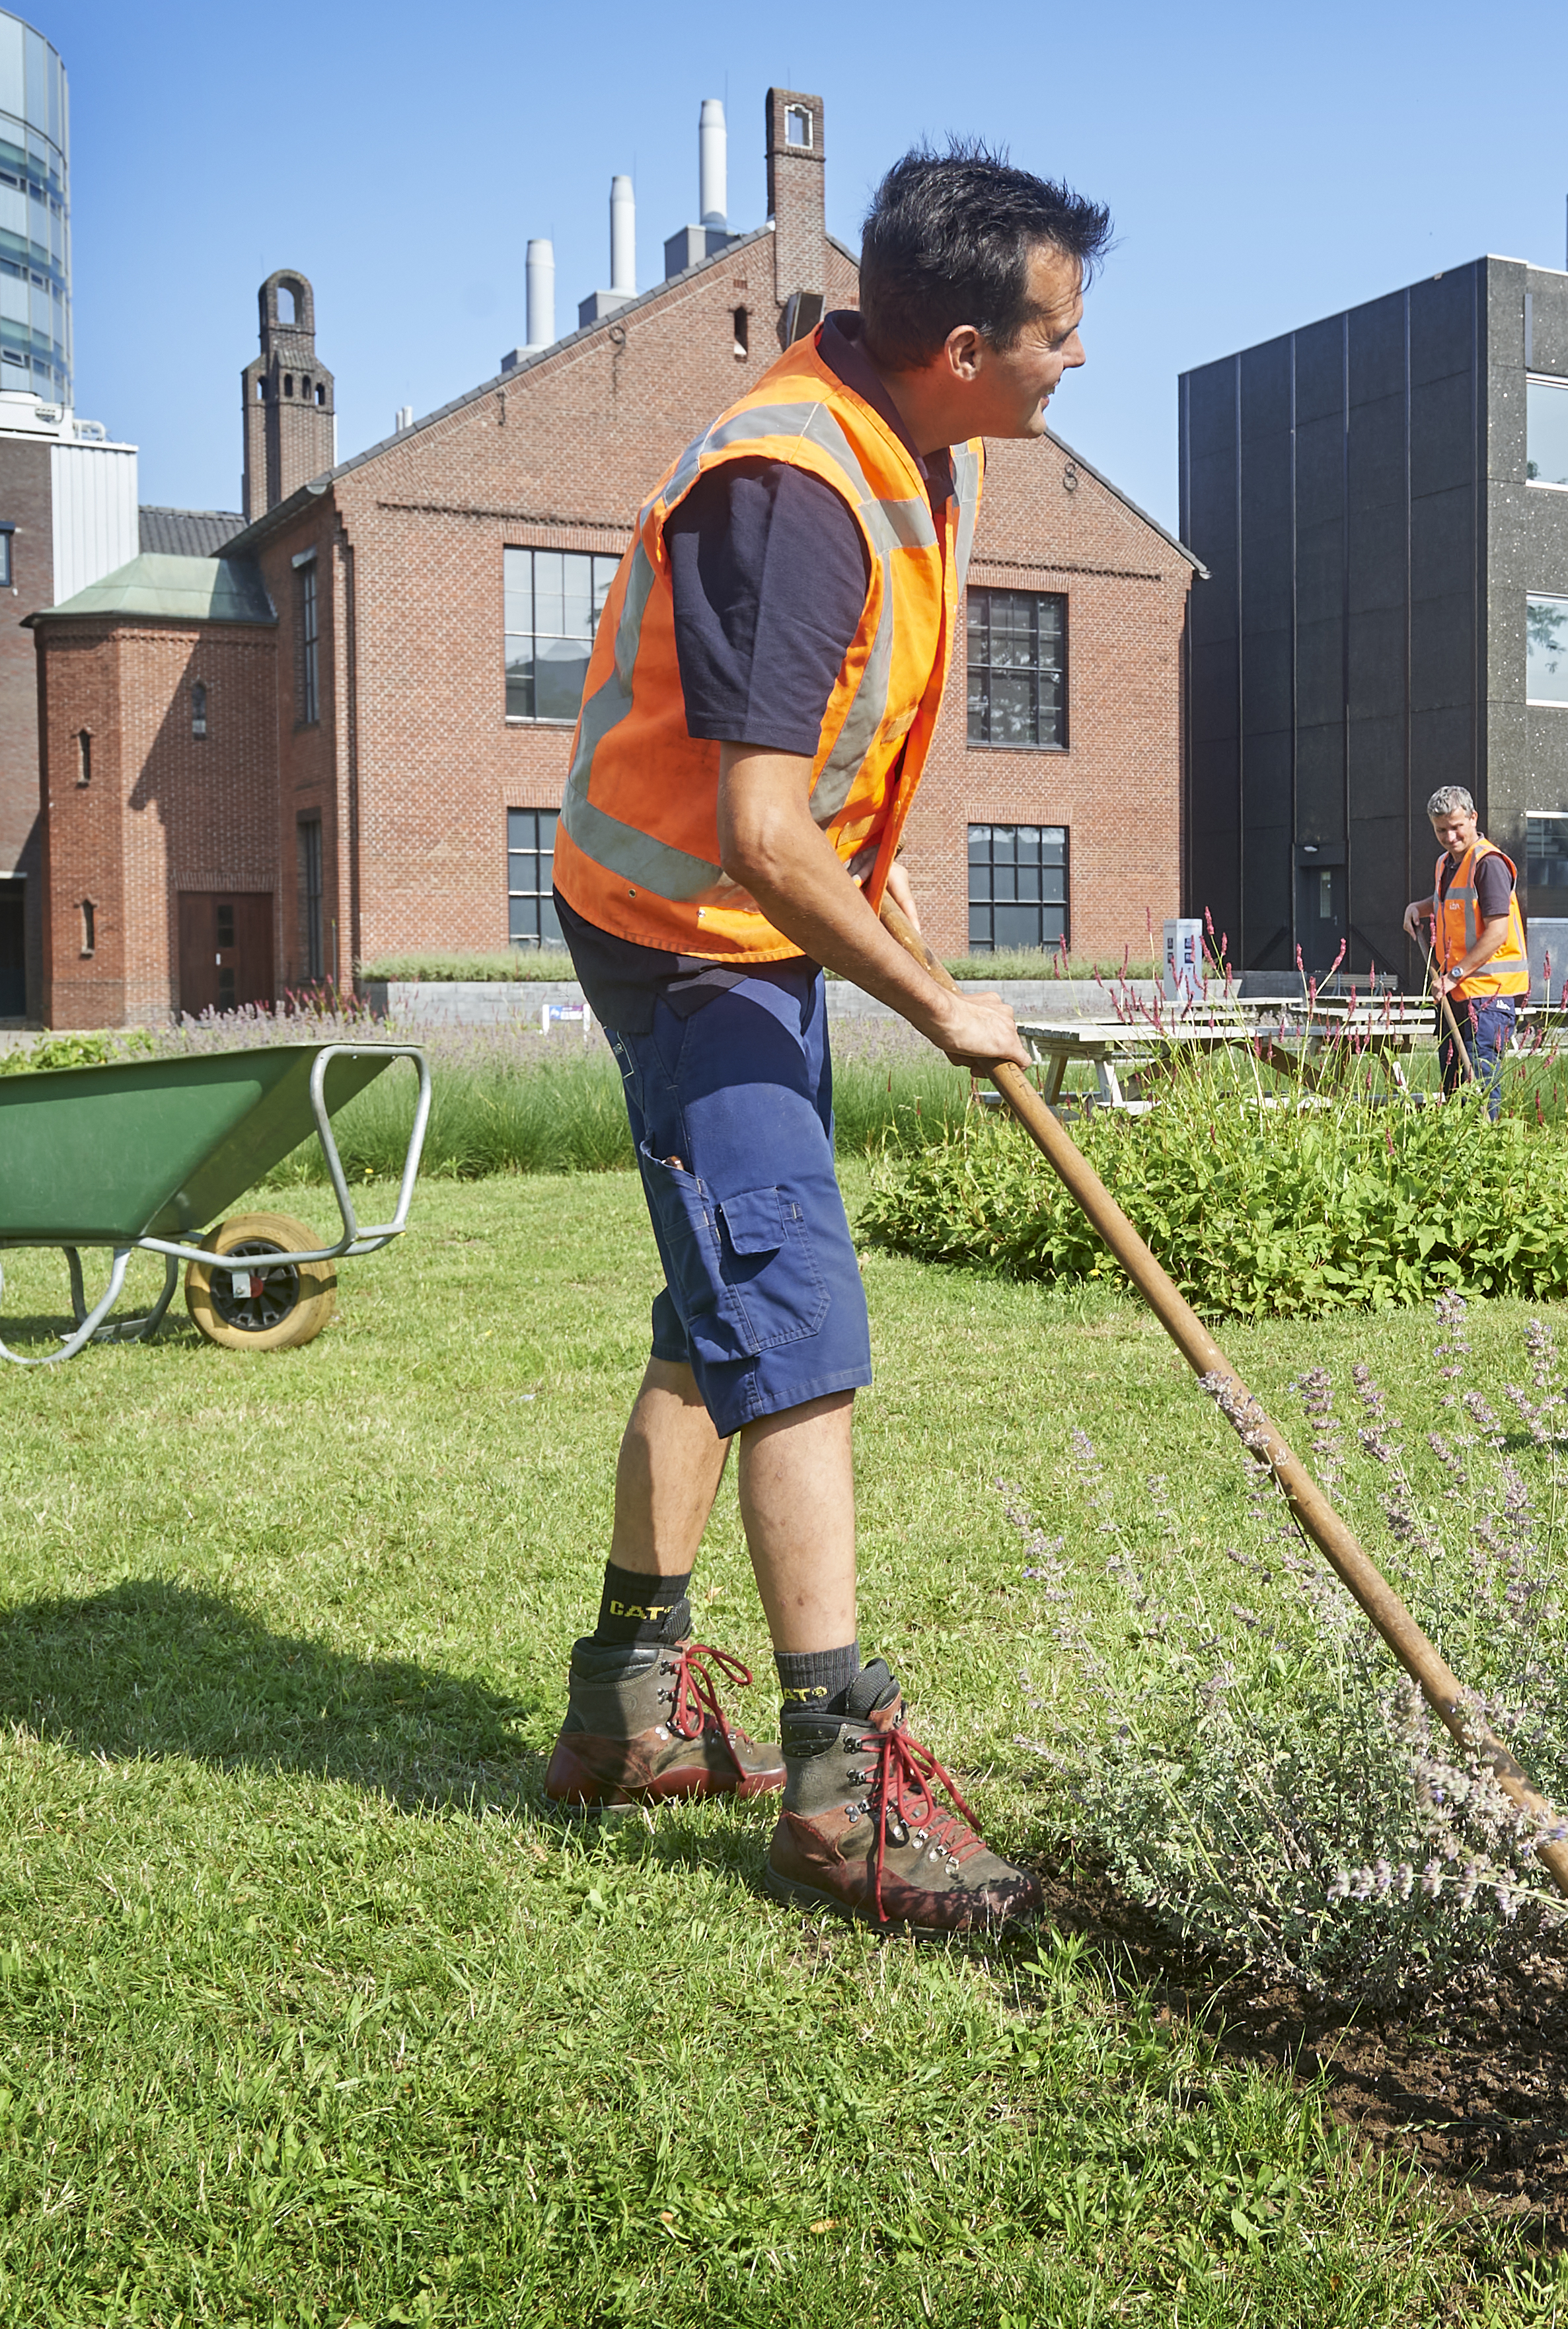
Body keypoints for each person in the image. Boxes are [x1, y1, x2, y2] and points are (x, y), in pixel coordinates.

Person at [539, 146, 1109, 1933]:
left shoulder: (916, 450)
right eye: (1059, 334)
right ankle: (836, 1781)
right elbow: (758, 835)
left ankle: (628, 1709)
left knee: (714, 1317)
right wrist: (934, 999)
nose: (1074, 362)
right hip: (688, 935)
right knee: (795, 1315)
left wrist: (898, 898)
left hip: (759, 924)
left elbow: (851, 764)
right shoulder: (790, 489)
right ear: (961, 341)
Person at [1400, 786, 1526, 1109]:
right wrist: (1421, 907)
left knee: (1481, 1085)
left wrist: (1454, 975)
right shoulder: (1447, 863)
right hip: (1455, 993)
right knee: (1455, 1087)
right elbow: (1450, 903)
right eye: (1442, 829)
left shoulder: (1488, 864)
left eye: (1457, 826)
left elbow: (1497, 932)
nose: (1450, 836)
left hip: (1487, 994)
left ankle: (1487, 1152)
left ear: (1473, 818)